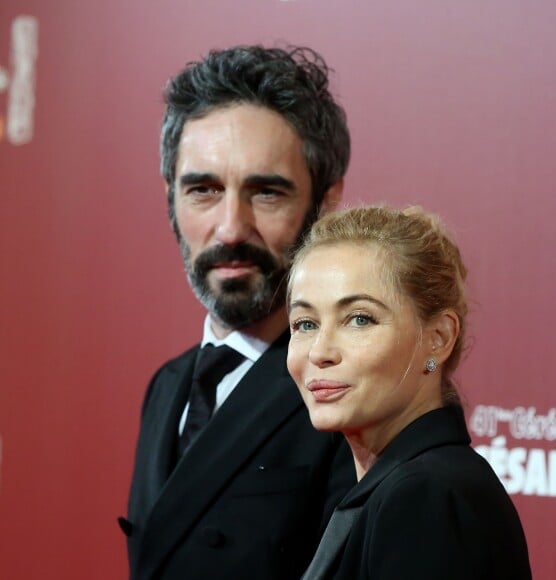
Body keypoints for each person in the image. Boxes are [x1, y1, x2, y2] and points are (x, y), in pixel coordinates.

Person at [120, 45, 357, 580]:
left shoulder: (353, 400)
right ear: (170, 202)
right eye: (203, 190)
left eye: (266, 192)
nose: (230, 228)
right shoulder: (168, 386)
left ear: (327, 202)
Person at [287, 205, 532, 579]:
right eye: (305, 323)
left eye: (359, 319)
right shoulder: (399, 485)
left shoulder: (425, 497)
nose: (320, 352)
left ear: (438, 339)